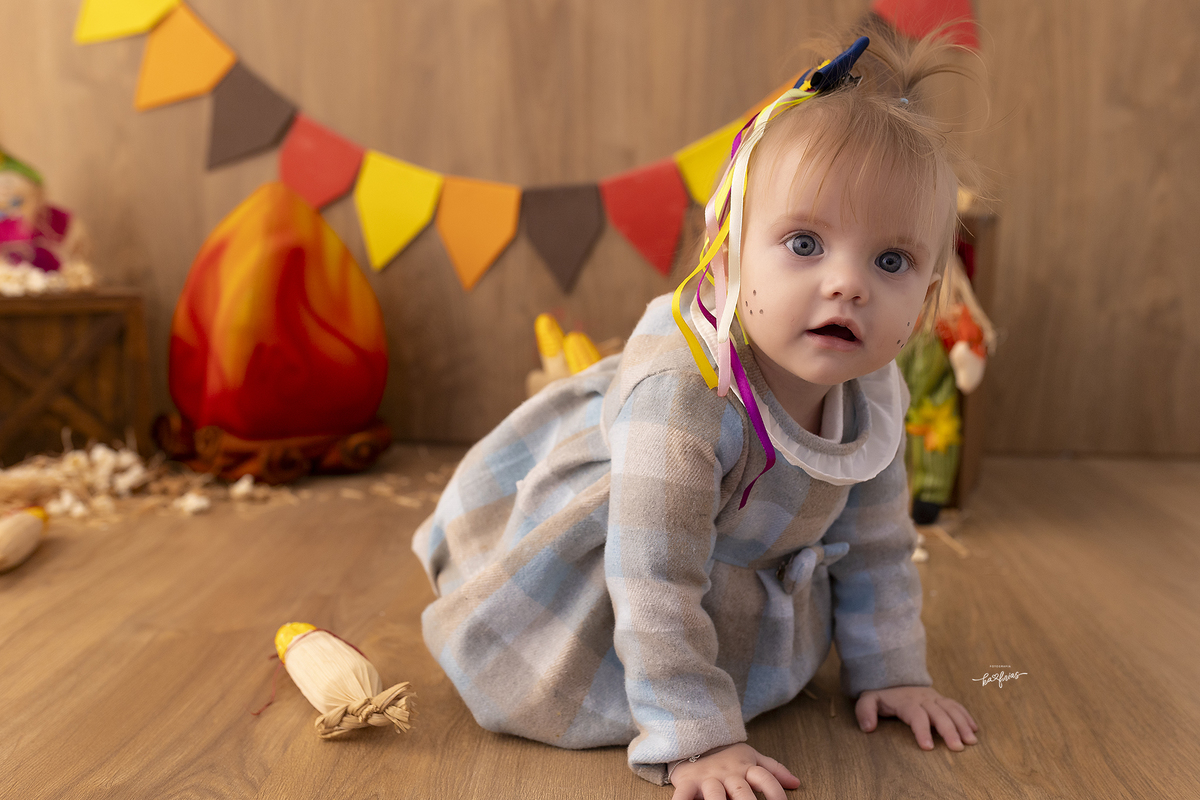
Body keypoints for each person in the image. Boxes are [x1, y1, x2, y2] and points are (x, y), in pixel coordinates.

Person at [413, 28, 980, 799]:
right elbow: (652, 579)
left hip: (730, 581)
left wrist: (892, 672)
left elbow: (877, 544)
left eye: (891, 261)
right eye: (805, 242)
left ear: (927, 293)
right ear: (727, 251)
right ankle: (673, 702)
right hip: (618, 588)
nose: (848, 285)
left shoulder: (874, 390)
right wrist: (698, 738)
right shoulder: (688, 392)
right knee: (628, 605)